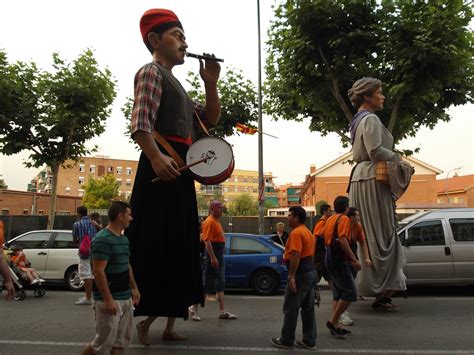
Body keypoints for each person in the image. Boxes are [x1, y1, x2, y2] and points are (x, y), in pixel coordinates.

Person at [128, 8, 221, 345]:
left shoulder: (177, 85)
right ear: (155, 39)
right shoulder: (151, 72)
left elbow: (208, 119)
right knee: (159, 243)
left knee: (180, 243)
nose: (185, 42)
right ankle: (145, 319)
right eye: (177, 36)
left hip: (180, 171)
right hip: (162, 169)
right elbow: (140, 124)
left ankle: (168, 325)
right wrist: (156, 157)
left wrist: (210, 83)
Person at [347, 77, 406, 310]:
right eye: (379, 93)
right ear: (367, 97)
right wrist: (398, 158)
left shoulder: (358, 120)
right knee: (380, 234)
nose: (383, 97)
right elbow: (375, 151)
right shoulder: (370, 118)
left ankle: (377, 288)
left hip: (362, 177)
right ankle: (380, 287)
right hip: (372, 176)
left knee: (372, 235)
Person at [80, 201, 140, 355]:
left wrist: (134, 288)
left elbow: (126, 264)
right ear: (120, 216)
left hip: (125, 297)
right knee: (101, 345)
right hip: (109, 300)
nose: (131, 218)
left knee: (120, 343)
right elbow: (98, 271)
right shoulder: (102, 239)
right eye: (129, 214)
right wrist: (108, 299)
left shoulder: (123, 239)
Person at [271, 206, 317, 350]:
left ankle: (286, 340)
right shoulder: (308, 232)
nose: (287, 218)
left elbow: (296, 255)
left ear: (296, 218)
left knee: (291, 307)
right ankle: (309, 340)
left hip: (300, 274)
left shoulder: (296, 233)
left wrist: (291, 277)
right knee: (308, 309)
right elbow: (311, 255)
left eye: (290, 215)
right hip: (309, 272)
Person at [323, 196, 361, 339]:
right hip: (339, 261)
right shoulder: (344, 219)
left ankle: (335, 325)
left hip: (329, 258)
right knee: (350, 293)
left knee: (339, 293)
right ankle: (333, 322)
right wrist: (354, 259)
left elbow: (324, 238)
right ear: (346, 208)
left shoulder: (330, 219)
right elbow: (343, 239)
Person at [197, 200, 236, 320]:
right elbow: (207, 241)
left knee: (220, 282)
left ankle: (222, 311)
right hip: (212, 255)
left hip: (218, 254)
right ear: (212, 209)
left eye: (221, 208)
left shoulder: (216, 221)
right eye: (219, 208)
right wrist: (213, 257)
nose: (221, 210)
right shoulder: (209, 221)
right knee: (207, 283)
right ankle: (193, 308)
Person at [338, 207, 373, 326]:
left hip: (352, 261)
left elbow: (363, 242)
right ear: (351, 217)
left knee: (348, 286)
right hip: (342, 261)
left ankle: (339, 313)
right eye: (357, 216)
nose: (359, 218)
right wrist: (353, 259)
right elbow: (341, 241)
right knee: (348, 289)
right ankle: (340, 314)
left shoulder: (357, 227)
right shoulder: (344, 225)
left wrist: (367, 257)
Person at [73, 206, 98, 305]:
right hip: (95, 251)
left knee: (86, 275)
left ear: (79, 213)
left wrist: (79, 241)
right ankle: (90, 296)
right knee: (92, 274)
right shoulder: (94, 223)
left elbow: (74, 240)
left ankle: (88, 298)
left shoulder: (77, 224)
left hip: (84, 252)